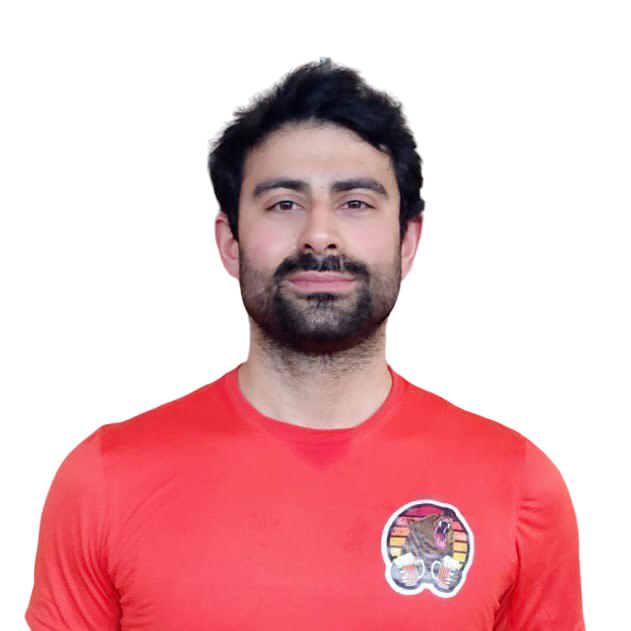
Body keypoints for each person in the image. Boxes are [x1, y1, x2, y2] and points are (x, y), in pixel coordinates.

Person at [24, 57, 586, 630]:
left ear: (408, 244)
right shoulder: (104, 479)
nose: (319, 234)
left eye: (356, 203)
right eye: (284, 204)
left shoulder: (520, 482)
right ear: (229, 244)